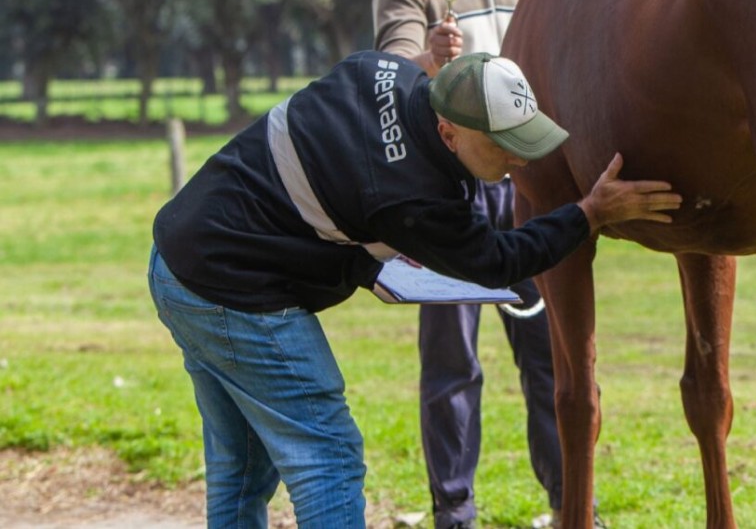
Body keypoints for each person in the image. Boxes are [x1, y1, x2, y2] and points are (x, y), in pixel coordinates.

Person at [148, 50, 681, 529]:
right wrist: (590, 213)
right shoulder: (413, 197)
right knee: (328, 453)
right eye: (503, 146)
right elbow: (501, 260)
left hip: (178, 260)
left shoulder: (381, 68)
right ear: (449, 133)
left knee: (241, 465)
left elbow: (347, 158)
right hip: (231, 290)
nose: (520, 160)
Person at [373, 0, 573, 529]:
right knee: (451, 360)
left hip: (528, 173)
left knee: (548, 354)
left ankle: (571, 504)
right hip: (446, 183)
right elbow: (393, 68)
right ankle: (454, 514)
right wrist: (431, 61)